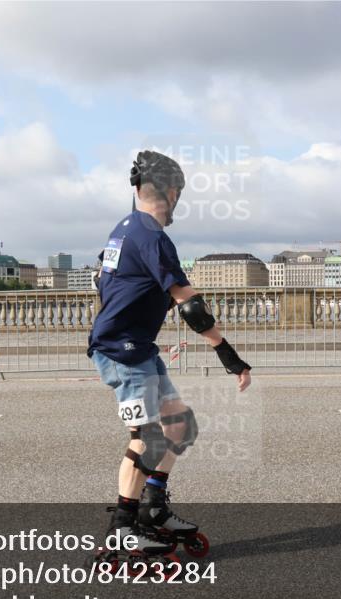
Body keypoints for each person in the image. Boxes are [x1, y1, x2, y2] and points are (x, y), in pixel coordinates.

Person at [87, 150, 252, 559]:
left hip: (132, 347)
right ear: (171, 191)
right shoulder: (152, 236)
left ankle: (155, 508)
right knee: (149, 437)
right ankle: (123, 527)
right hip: (123, 352)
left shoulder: (123, 229)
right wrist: (229, 356)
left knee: (180, 426)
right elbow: (191, 306)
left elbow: (101, 281)